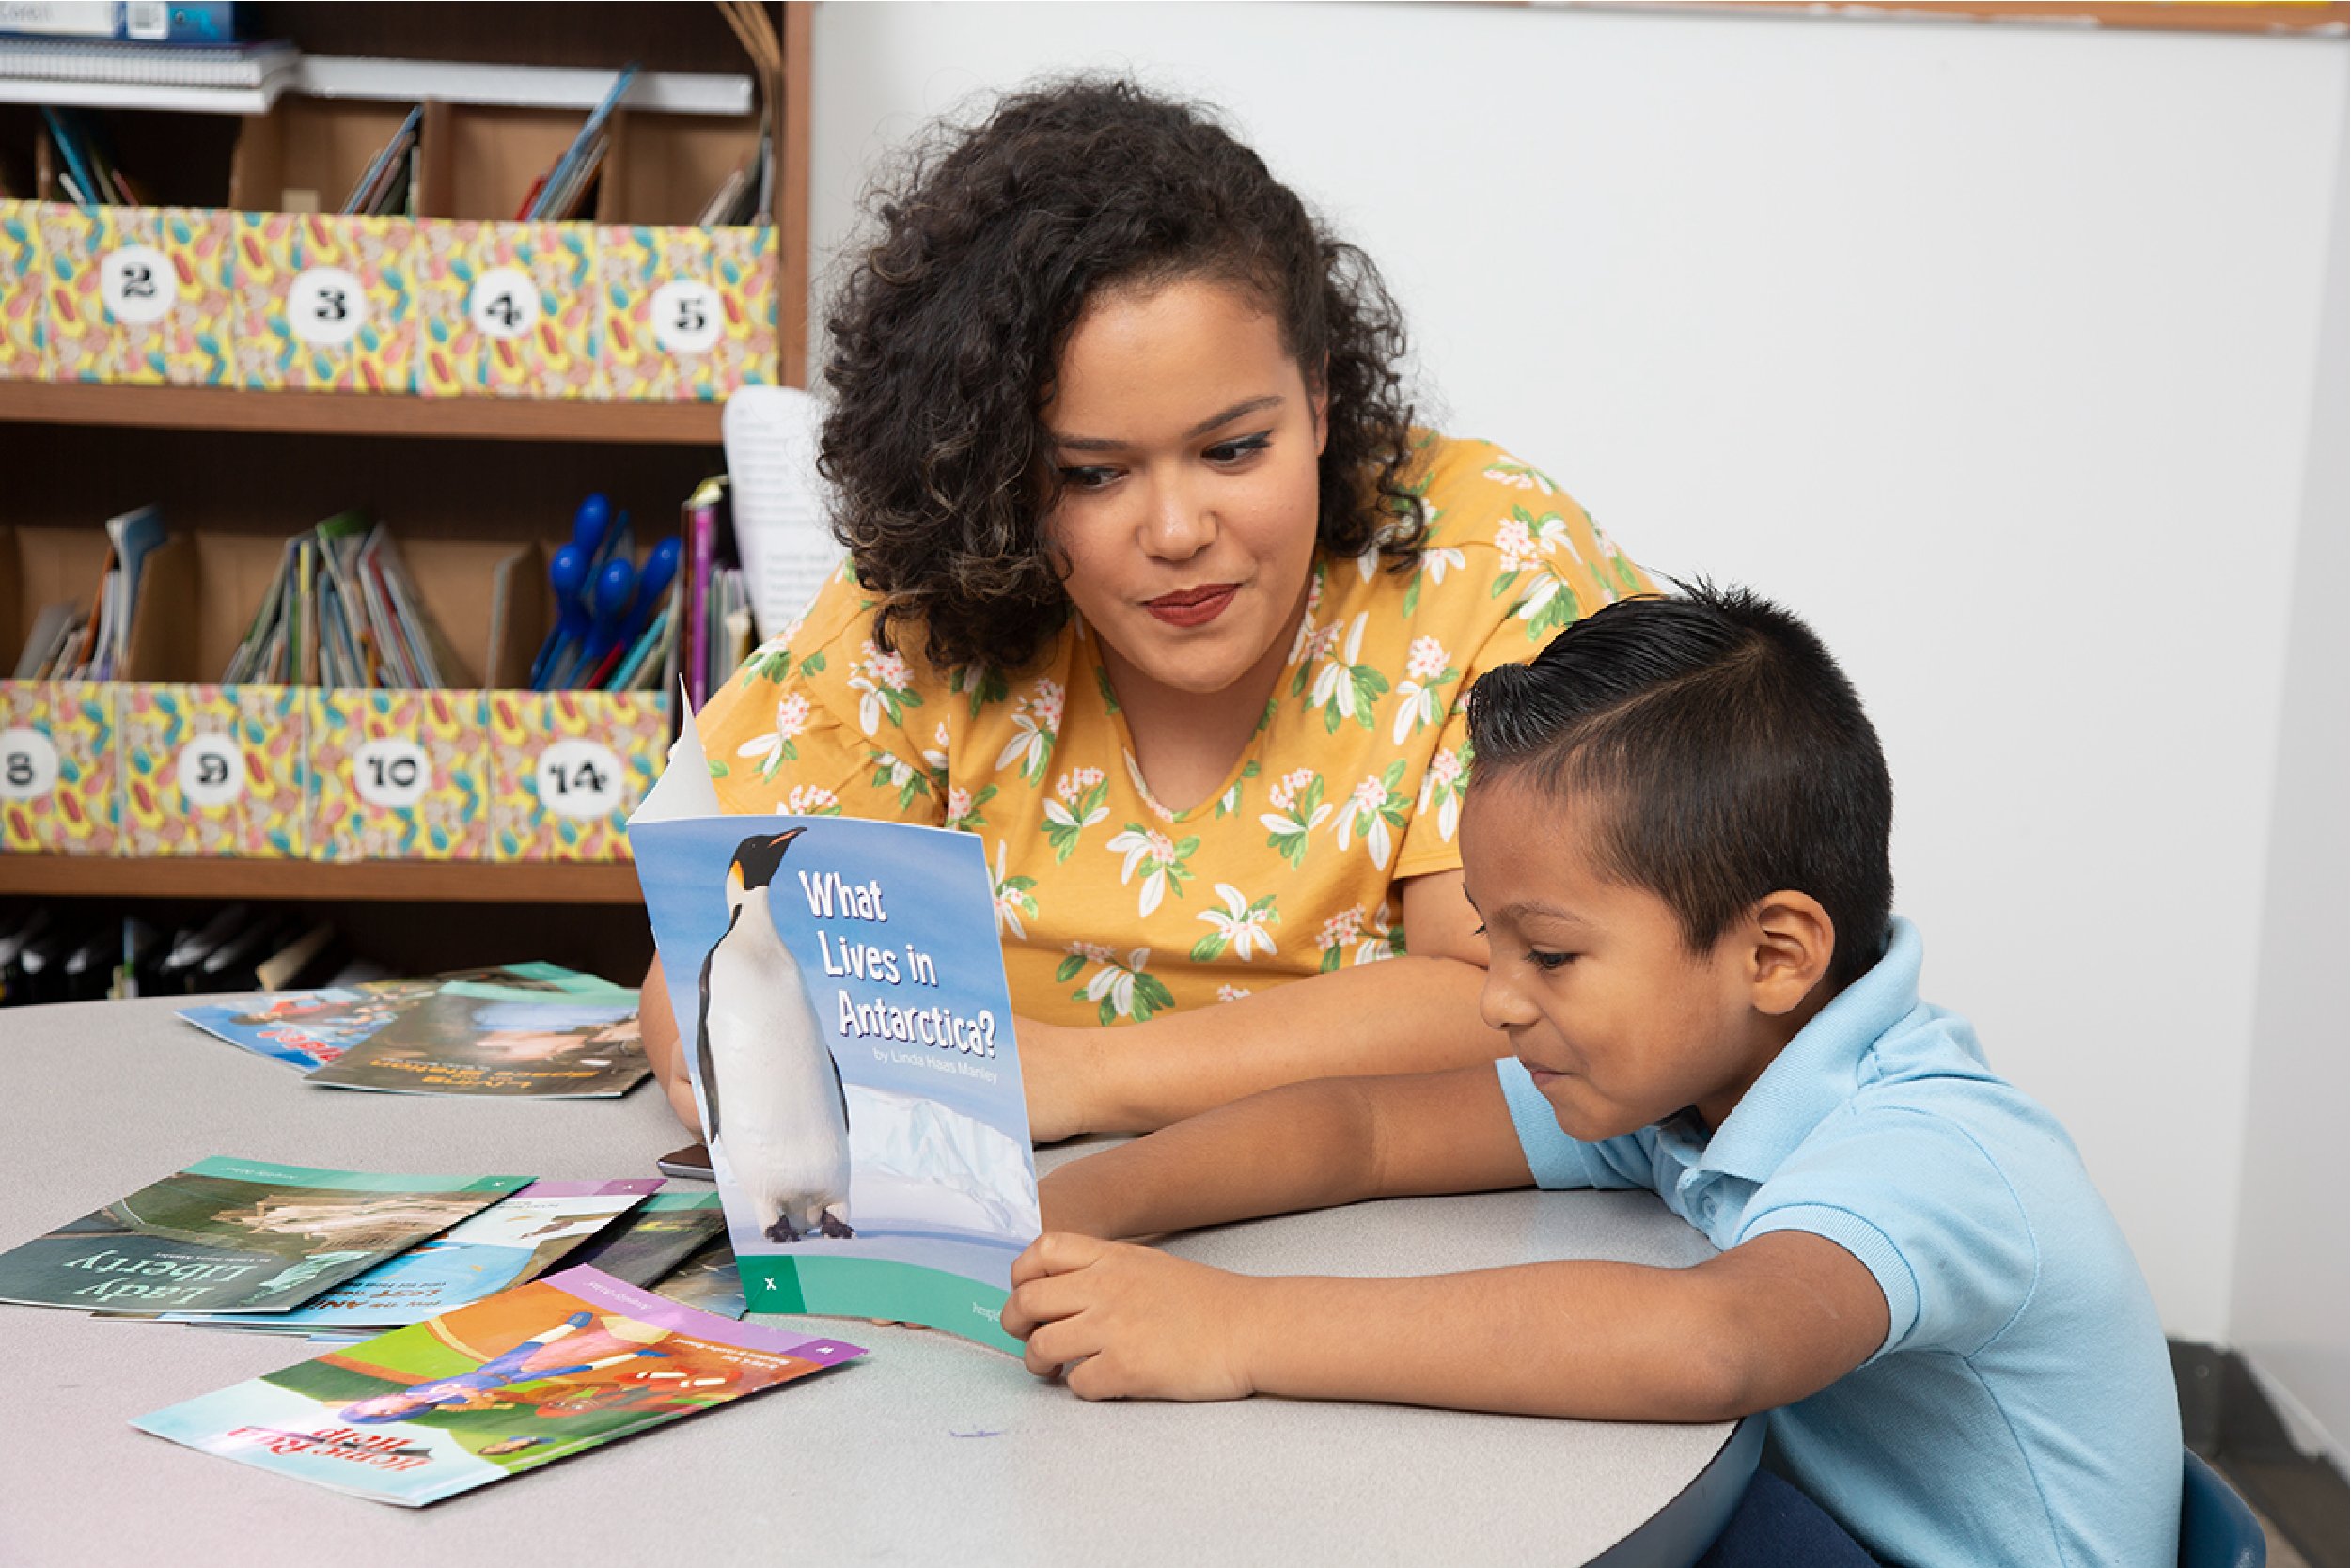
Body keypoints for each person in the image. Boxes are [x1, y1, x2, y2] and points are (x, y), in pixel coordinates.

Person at [999, 586, 2181, 1566]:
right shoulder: (1687, 1081)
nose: (1497, 999)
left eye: (1549, 954)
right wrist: (1070, 1210)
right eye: (1491, 940)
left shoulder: (1926, 1152)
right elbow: (1360, 1131)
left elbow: (1710, 1340)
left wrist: (1231, 1327)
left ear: (1772, 954)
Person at [642, 77, 1650, 1140]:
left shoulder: (1486, 562)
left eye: (1231, 449)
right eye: (1090, 474)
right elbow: (702, 977)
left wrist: (1085, 1078)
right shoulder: (924, 606)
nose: (1175, 531)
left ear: (1317, 400)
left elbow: (1514, 996)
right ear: (993, 471)